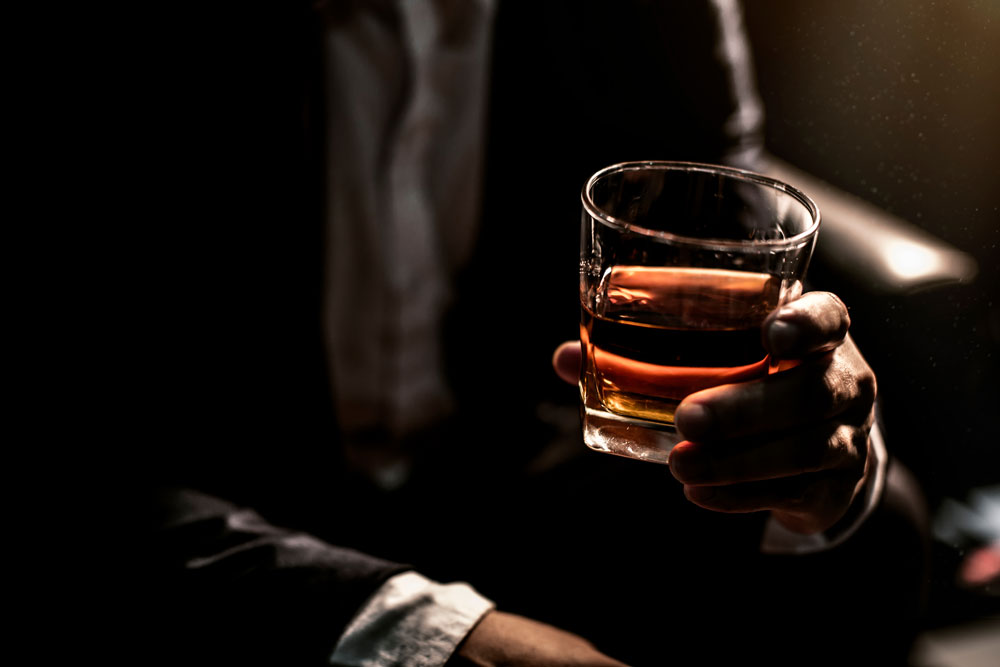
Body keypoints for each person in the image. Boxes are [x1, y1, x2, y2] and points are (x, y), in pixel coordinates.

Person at [119, 1, 927, 664]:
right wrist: (422, 634)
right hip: (230, 516)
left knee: (870, 528)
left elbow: (725, 245)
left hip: (524, 479)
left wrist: (816, 454)